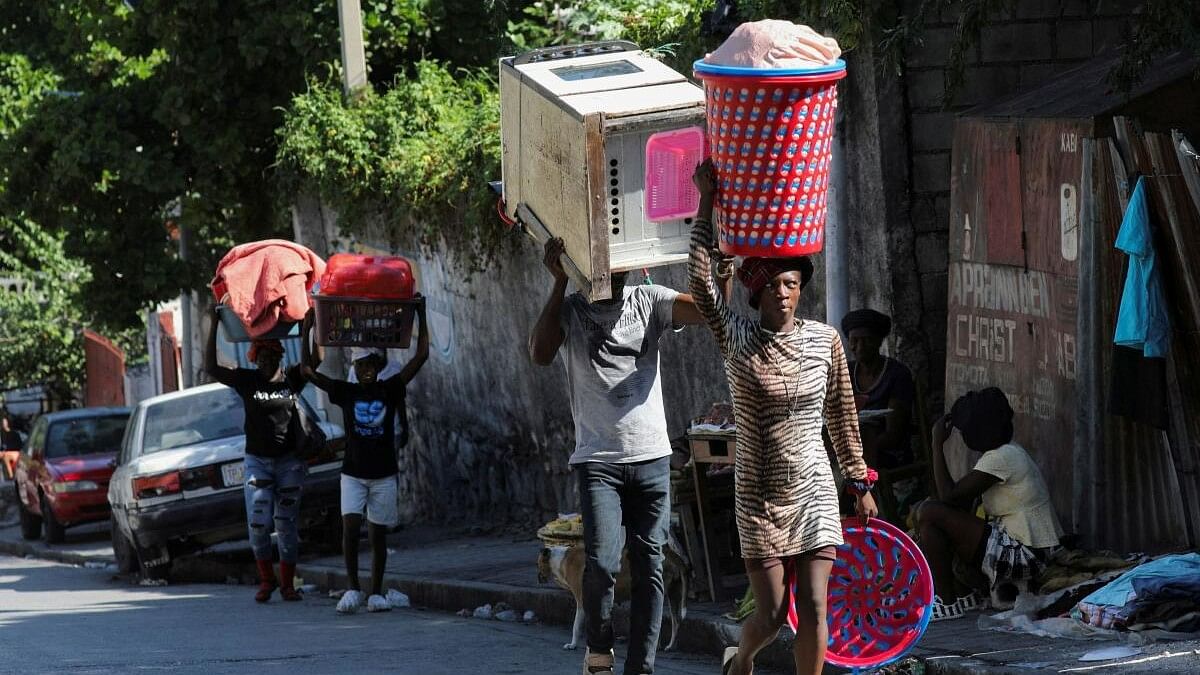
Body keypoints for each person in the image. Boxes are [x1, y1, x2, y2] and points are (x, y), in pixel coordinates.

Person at [688, 160, 877, 675]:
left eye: (791, 284)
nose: (783, 293)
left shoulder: (824, 341)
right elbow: (701, 286)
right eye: (773, 285)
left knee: (815, 606)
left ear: (801, 289)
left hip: (814, 486)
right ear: (757, 293)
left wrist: (857, 479)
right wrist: (706, 202)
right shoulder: (738, 337)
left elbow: (841, 413)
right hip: (758, 495)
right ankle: (741, 656)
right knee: (771, 616)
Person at [528, 237, 706, 675]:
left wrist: (718, 268)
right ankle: (600, 646)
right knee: (604, 562)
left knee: (651, 565)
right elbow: (539, 352)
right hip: (598, 460)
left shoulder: (651, 299)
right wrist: (558, 282)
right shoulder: (570, 309)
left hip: (651, 457)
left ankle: (640, 667)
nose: (613, 269)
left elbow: (705, 312)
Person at [299, 304, 428, 614]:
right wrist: (306, 330)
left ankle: (376, 592)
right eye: (360, 366)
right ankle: (353, 589)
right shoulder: (346, 391)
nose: (366, 370)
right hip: (353, 474)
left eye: (370, 364)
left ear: (376, 365)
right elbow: (307, 371)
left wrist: (421, 314)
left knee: (378, 535)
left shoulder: (390, 387)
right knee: (350, 530)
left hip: (384, 474)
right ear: (354, 369)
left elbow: (421, 355)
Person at [917, 387, 1063, 621]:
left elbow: (948, 497)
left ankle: (947, 601)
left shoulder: (1002, 458)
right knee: (930, 522)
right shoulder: (1005, 453)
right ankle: (959, 596)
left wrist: (936, 445)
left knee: (929, 512)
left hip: (1028, 557)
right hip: (1023, 551)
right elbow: (955, 505)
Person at [205, 307, 308, 603]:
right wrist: (214, 324)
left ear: (279, 356)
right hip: (258, 463)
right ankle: (267, 580)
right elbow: (212, 367)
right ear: (254, 358)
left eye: (271, 356)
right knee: (259, 522)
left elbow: (317, 360)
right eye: (261, 357)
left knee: (286, 524)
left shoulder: (292, 379)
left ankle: (287, 584)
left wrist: (311, 325)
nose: (266, 362)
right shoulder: (247, 381)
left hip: (289, 462)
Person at [841, 309, 915, 469]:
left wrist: (855, 450)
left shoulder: (897, 375)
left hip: (887, 453)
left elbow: (893, 435)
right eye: (854, 340)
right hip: (853, 449)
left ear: (879, 341)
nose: (860, 347)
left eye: (867, 340)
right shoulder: (845, 372)